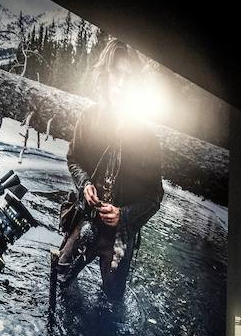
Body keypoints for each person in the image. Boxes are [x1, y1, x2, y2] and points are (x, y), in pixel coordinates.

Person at [57, 37, 164, 302]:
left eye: (129, 76)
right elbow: (73, 159)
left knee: (111, 303)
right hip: (85, 220)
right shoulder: (89, 118)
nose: (122, 82)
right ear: (105, 75)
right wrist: (85, 185)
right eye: (117, 72)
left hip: (120, 237)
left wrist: (124, 215)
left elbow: (155, 196)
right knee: (59, 276)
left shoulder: (147, 139)